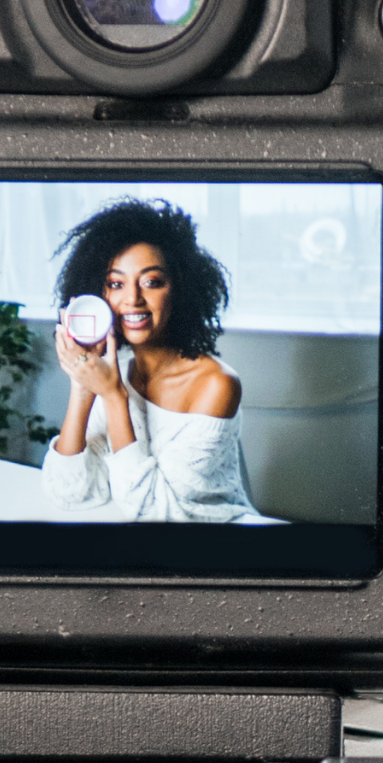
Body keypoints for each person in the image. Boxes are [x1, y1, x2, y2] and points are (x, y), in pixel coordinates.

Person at [43, 198, 262, 521]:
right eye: (116, 284)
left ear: (180, 289)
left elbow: (156, 513)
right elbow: (69, 492)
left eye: (152, 282)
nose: (132, 298)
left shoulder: (216, 385)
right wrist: (82, 386)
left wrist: (114, 396)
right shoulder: (115, 375)